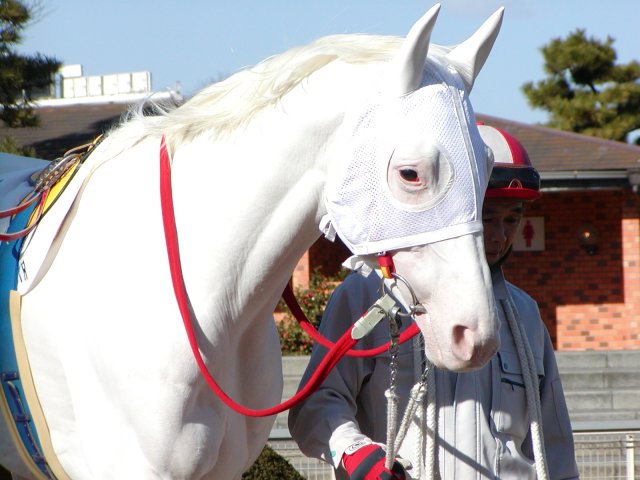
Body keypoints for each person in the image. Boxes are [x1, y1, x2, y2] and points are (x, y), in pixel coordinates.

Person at [288, 124, 580, 480]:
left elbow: (554, 443)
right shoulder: (365, 295)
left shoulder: (526, 314)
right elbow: (316, 407)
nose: (500, 235)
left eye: (512, 218)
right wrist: (354, 451)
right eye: (487, 218)